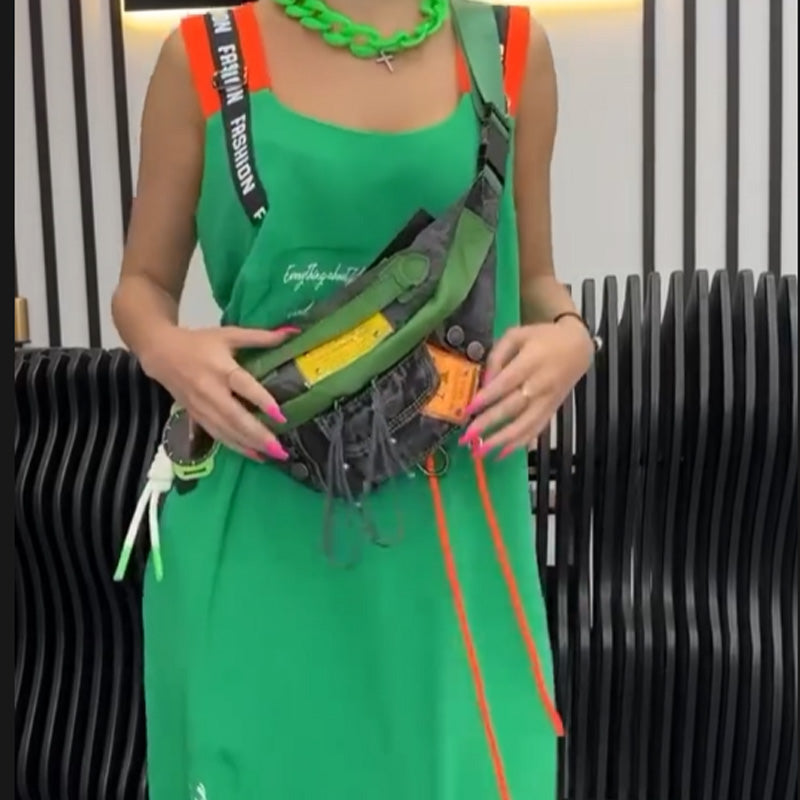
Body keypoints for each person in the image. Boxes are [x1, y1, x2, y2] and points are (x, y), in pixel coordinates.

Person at [111, 1, 594, 797]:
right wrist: (172, 353)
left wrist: (573, 340)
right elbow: (142, 284)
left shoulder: (507, 50)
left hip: (449, 516)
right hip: (260, 495)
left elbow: (536, 278)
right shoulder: (205, 57)